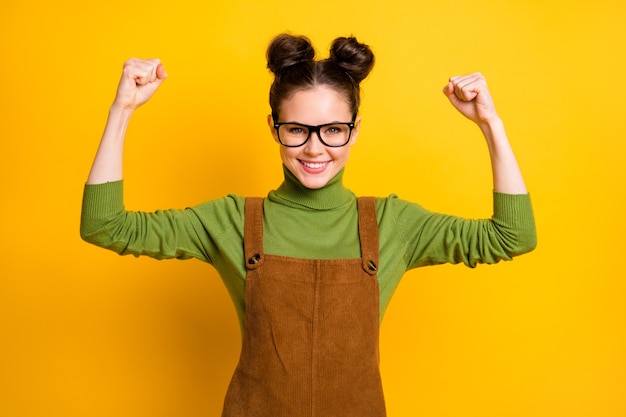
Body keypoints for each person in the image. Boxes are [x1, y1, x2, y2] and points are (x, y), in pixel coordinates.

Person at [81, 33, 536, 417]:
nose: (315, 149)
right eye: (296, 129)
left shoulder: (392, 223)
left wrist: (490, 123)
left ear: (354, 130)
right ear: (274, 127)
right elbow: (104, 225)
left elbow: (511, 236)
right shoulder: (232, 220)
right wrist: (121, 110)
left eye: (332, 130)